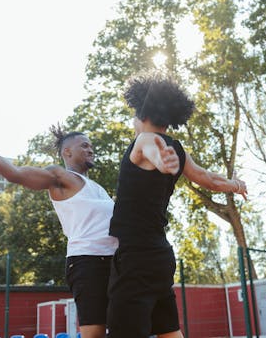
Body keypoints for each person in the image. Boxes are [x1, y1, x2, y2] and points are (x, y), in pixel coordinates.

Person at [0, 114, 179, 338]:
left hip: (119, 264)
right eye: (84, 146)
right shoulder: (60, 178)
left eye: (90, 146)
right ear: (67, 152)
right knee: (95, 332)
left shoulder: (98, 189)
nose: (91, 149)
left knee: (126, 327)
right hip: (88, 262)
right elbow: (14, 174)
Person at [106, 72, 248, 338]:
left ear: (143, 114)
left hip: (136, 257)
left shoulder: (146, 141)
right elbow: (209, 179)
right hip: (160, 257)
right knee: (169, 331)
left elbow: (152, 149)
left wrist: (162, 161)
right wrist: (235, 185)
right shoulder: (177, 149)